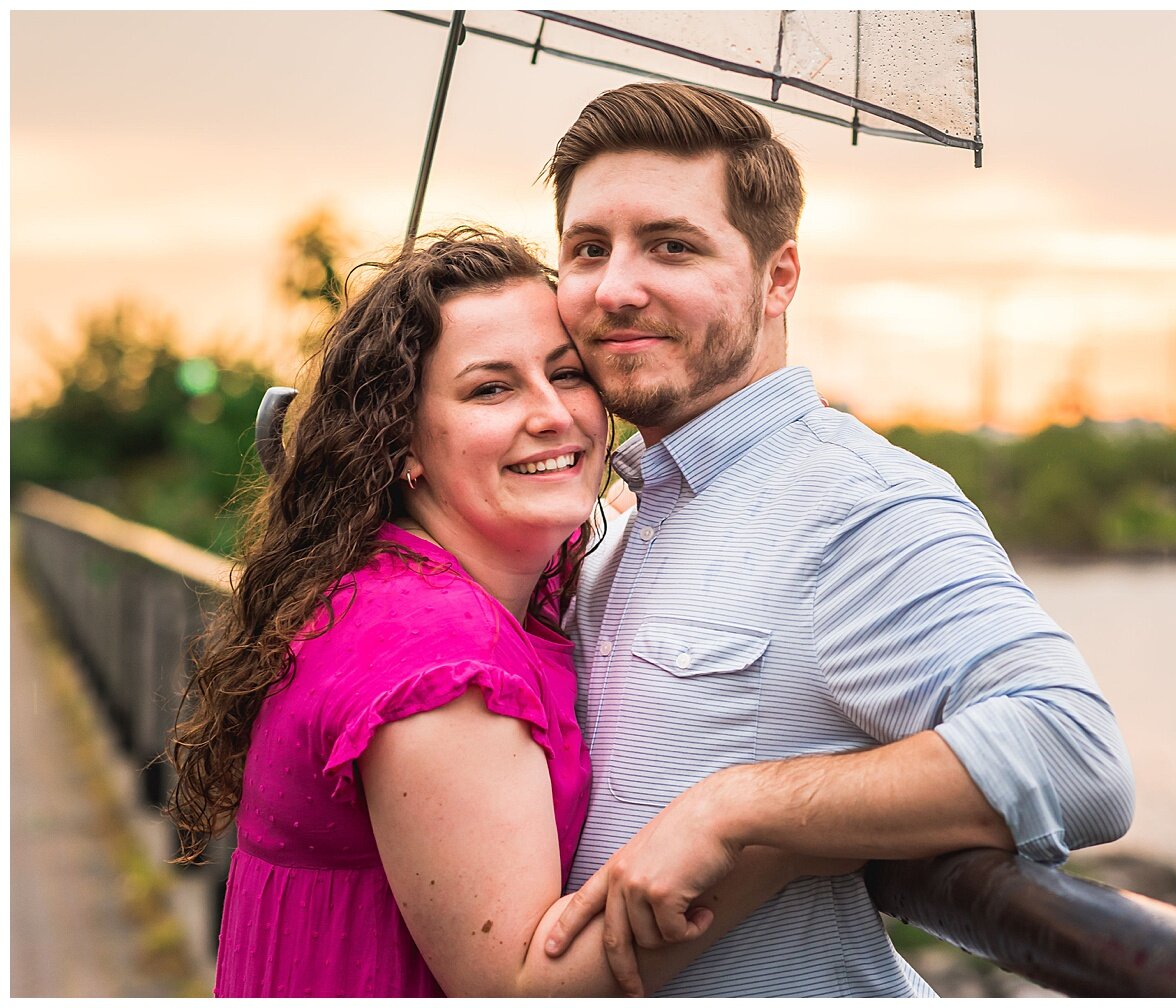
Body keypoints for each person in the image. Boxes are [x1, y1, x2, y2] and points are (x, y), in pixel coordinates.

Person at [538, 82, 1137, 997]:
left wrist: (741, 810)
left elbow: (1075, 752)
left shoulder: (857, 507)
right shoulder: (622, 520)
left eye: (671, 245)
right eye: (588, 249)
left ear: (779, 278)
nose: (616, 288)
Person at [166, 226, 843, 997]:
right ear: (402, 444)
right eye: (492, 388)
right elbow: (518, 986)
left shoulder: (388, 583)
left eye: (566, 373)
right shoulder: (440, 657)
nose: (554, 414)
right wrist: (779, 842)